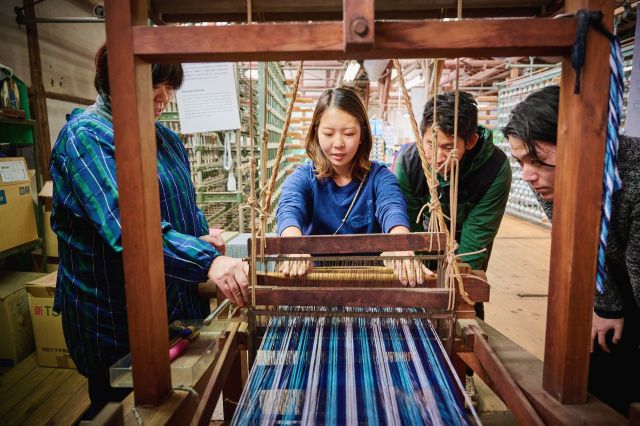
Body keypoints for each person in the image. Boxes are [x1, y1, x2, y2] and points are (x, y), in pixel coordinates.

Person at [49, 44, 249, 419]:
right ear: (117, 79)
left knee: (185, 405)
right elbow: (128, 228)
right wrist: (207, 261)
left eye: (169, 87)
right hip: (115, 318)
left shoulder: (167, 141)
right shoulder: (86, 138)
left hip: (175, 310)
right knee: (126, 410)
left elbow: (183, 208)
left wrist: (201, 237)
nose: (164, 97)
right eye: (154, 84)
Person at [503, 85, 640, 417]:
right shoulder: (547, 177)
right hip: (604, 269)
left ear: (579, 145)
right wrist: (606, 304)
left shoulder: (634, 174)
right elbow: (577, 243)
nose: (527, 174)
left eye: (537, 161)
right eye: (520, 161)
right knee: (600, 364)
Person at [393, 91, 511, 402]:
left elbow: (477, 237)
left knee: (465, 291)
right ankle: (415, 371)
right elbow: (406, 223)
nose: (435, 156)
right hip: (424, 240)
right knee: (414, 292)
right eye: (430, 144)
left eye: (447, 148)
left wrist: (455, 269)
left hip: (463, 244)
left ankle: (463, 376)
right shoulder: (409, 161)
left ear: (470, 142)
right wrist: (416, 265)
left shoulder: (494, 168)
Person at [276, 87, 428, 286]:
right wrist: (293, 245)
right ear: (316, 133)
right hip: (314, 284)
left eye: (348, 133)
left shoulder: (379, 178)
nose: (338, 143)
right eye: (328, 133)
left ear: (362, 134)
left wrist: (400, 244)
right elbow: (289, 207)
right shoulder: (304, 178)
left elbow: (392, 207)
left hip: (372, 288)